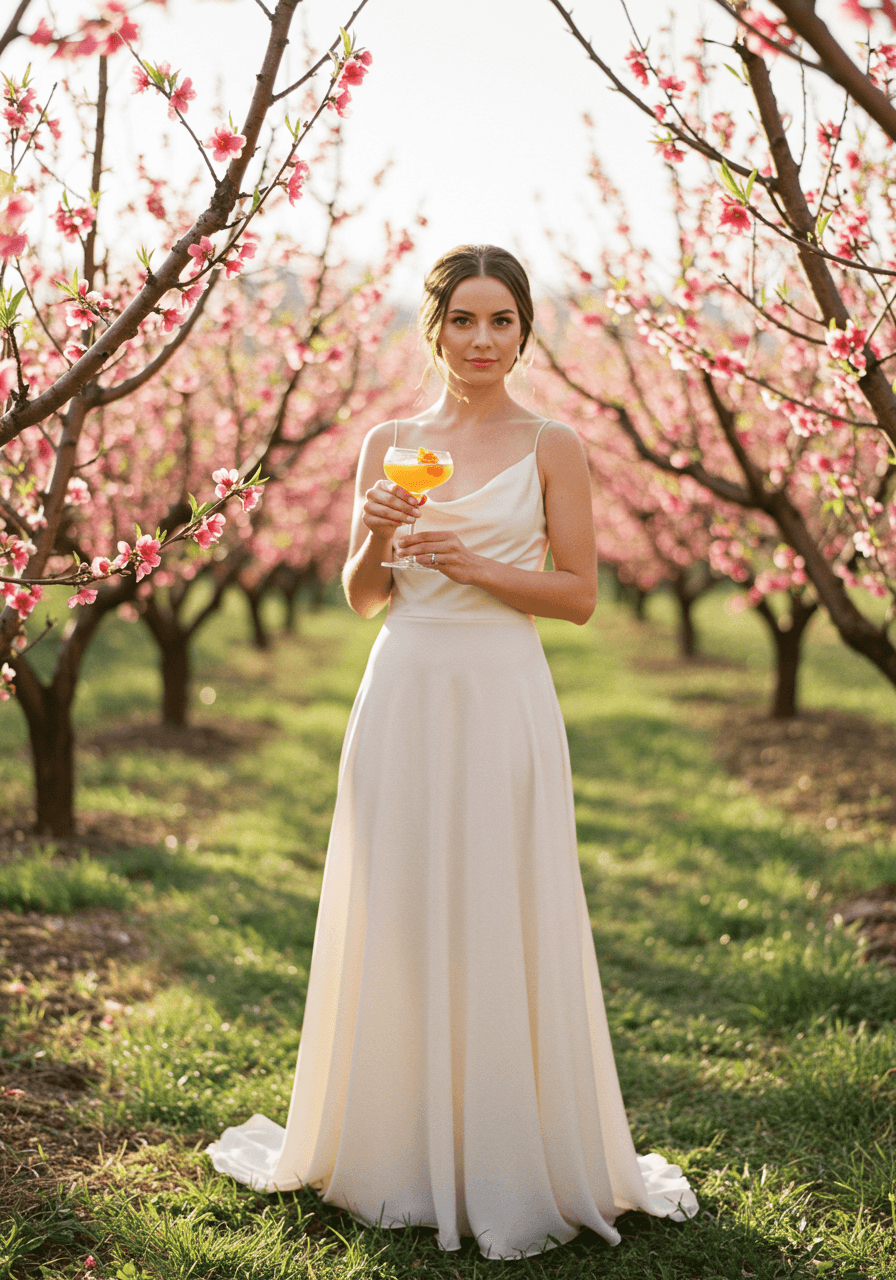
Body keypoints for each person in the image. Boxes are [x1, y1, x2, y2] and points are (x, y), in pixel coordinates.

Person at [207, 244, 698, 1259]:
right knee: (401, 899)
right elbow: (358, 596)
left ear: (524, 331)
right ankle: (394, 1144)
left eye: (501, 321)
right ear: (432, 329)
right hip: (402, 688)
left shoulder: (550, 442)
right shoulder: (389, 438)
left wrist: (477, 562)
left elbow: (578, 594)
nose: (481, 340)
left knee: (498, 897)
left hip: (501, 689)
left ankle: (508, 1148)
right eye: (463, 320)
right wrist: (374, 537)